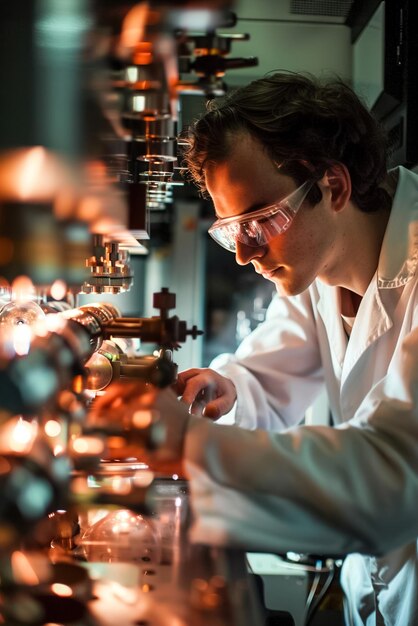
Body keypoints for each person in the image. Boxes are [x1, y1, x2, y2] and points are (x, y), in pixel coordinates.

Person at [93, 72, 418, 625]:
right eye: (231, 230)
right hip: (377, 590)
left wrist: (188, 442)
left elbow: (398, 478)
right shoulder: (317, 269)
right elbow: (269, 376)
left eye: (260, 220)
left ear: (333, 187)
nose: (243, 253)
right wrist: (226, 389)